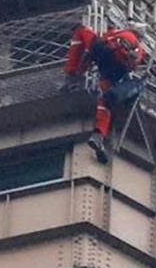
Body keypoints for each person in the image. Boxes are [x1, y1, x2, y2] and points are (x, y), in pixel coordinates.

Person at [62, 23, 148, 164]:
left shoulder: (119, 32)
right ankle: (98, 135)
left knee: (81, 31)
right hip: (117, 69)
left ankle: (71, 75)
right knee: (105, 101)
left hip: (105, 53)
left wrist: (83, 67)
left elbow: (102, 41)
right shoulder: (139, 48)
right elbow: (135, 64)